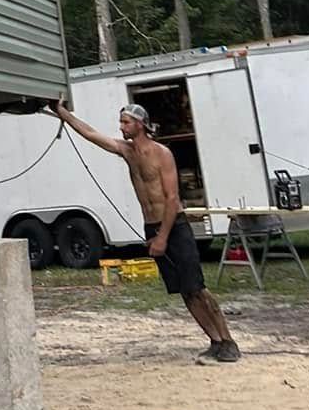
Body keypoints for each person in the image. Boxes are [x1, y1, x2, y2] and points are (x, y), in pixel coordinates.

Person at [50, 98, 241, 363]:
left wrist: (162, 238)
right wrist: (60, 112)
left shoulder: (161, 153)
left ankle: (228, 340)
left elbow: (173, 199)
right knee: (184, 291)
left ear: (140, 124)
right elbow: (90, 134)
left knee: (197, 287)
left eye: (126, 122)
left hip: (173, 226)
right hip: (152, 226)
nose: (121, 128)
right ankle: (215, 341)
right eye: (121, 122)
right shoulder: (127, 152)